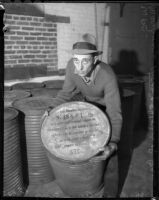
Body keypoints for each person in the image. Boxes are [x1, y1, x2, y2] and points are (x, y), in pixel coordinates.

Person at [51, 33, 123, 197]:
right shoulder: (72, 67)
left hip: (107, 106)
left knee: (110, 148)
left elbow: (114, 112)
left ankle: (111, 193)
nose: (79, 67)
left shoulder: (107, 75)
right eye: (76, 60)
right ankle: (84, 179)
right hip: (89, 104)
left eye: (85, 61)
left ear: (95, 60)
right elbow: (66, 93)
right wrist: (51, 109)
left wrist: (113, 142)